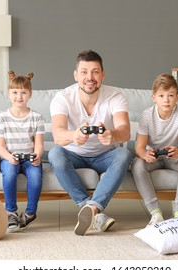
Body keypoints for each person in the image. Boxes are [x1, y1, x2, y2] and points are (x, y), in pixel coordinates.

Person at [48, 50, 132, 236]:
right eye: (84, 72)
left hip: (105, 155)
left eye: (95, 72)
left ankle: (90, 209)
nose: (90, 77)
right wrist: (73, 135)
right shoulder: (63, 97)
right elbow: (58, 134)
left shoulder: (115, 97)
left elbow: (125, 131)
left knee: (124, 154)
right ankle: (93, 208)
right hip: (73, 154)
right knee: (55, 153)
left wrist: (113, 134)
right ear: (76, 75)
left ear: (103, 75)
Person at [131, 73, 178, 227]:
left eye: (170, 95)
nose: (166, 100)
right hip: (154, 157)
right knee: (137, 164)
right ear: (154, 97)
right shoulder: (147, 115)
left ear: (177, 97)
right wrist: (146, 155)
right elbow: (139, 148)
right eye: (161, 95)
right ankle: (155, 212)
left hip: (174, 156)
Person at [0, 71, 45, 233]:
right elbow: (0, 146)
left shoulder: (37, 117)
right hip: (10, 157)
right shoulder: (2, 117)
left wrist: (37, 156)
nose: (19, 96)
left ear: (30, 94)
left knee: (36, 177)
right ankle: (11, 212)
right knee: (9, 174)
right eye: (15, 92)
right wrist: (9, 157)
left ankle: (30, 213)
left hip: (30, 158)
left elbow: (39, 144)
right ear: (9, 94)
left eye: (23, 92)